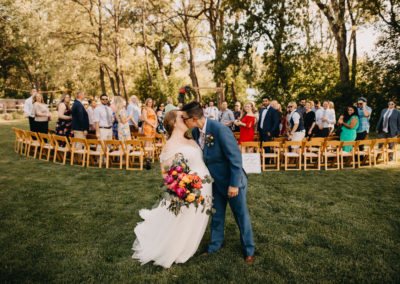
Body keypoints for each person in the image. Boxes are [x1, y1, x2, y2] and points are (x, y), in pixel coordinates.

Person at [132, 110, 212, 268]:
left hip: (204, 186)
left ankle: (190, 241)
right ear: (173, 123)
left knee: (197, 218)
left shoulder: (191, 138)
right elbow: (167, 174)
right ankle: (178, 247)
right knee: (184, 220)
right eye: (182, 118)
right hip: (189, 189)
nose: (186, 119)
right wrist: (183, 187)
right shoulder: (170, 145)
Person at [181, 102, 255, 263]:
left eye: (184, 118)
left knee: (241, 216)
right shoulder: (195, 131)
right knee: (216, 215)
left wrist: (234, 184)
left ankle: (249, 249)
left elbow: (235, 159)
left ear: (193, 118)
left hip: (232, 182)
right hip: (214, 183)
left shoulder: (220, 129)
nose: (183, 121)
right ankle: (214, 246)